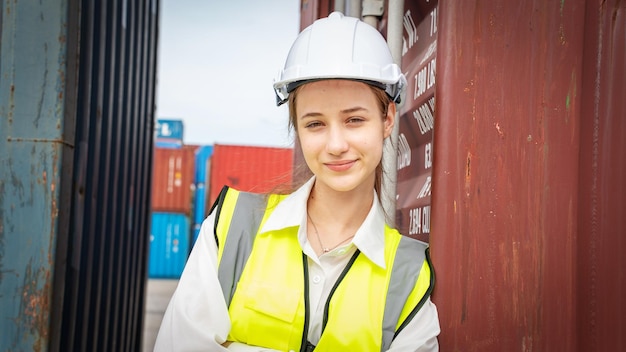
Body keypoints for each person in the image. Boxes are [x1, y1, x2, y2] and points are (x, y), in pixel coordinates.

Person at [154, 12, 440, 351]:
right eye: (315, 124)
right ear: (297, 128)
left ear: (387, 119)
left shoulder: (409, 276)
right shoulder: (231, 227)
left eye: (354, 120)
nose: (336, 145)